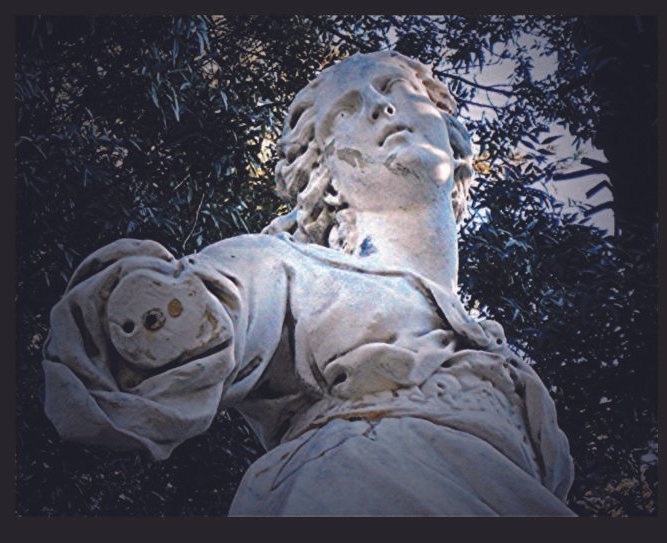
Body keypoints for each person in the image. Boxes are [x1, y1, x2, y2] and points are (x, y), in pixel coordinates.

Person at [42, 51, 575, 515]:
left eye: (393, 87)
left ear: (450, 136)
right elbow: (225, 302)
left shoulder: (500, 358)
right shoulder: (290, 268)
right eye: (346, 109)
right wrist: (164, 315)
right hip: (362, 488)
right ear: (328, 179)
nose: (379, 107)